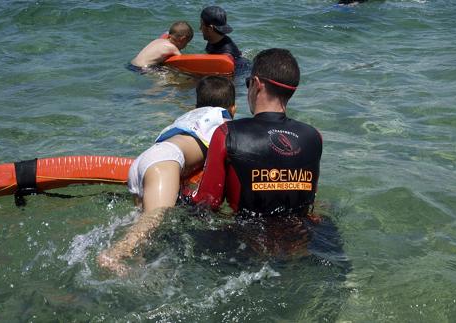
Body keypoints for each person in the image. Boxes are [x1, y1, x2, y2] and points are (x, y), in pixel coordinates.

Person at [97, 76, 236, 275]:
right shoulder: (223, 120)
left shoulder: (190, 118)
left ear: (196, 104)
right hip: (165, 163)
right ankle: (113, 254)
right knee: (153, 219)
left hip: (144, 162)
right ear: (233, 109)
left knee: (141, 225)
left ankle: (134, 266)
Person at [184, 48, 322, 219]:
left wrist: (181, 190)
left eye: (248, 82)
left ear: (257, 84)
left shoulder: (227, 134)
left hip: (248, 239)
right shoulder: (314, 137)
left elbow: (207, 203)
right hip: (303, 236)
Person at [199, 5, 249, 70]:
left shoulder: (225, 55)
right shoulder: (214, 40)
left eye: (201, 24)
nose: (200, 28)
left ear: (210, 28)